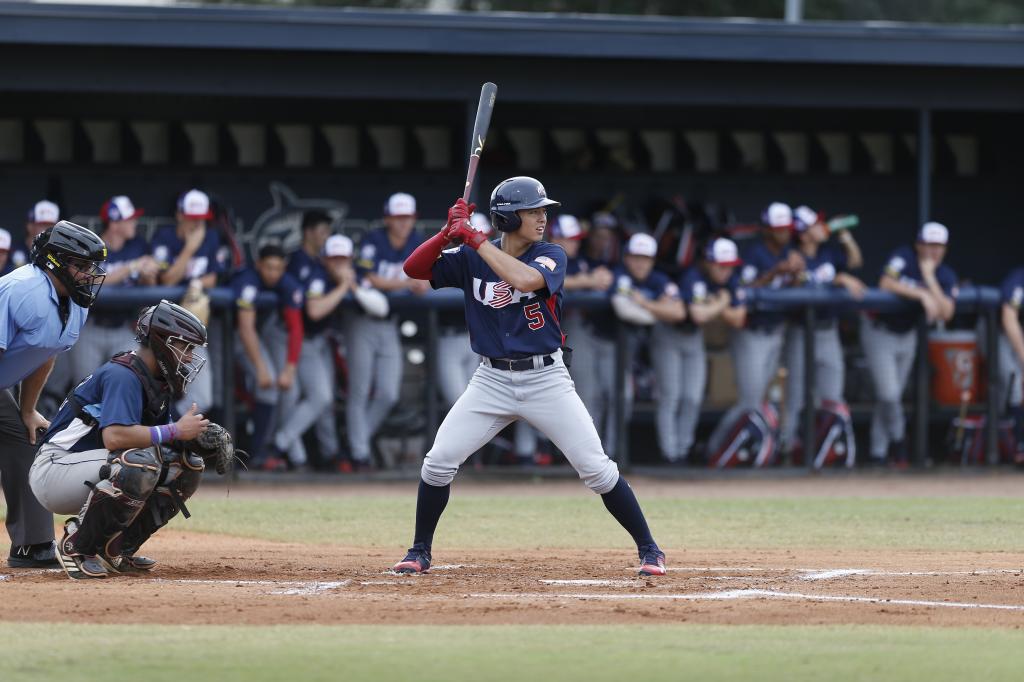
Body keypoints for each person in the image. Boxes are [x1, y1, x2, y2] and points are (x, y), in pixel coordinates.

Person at [395, 176, 666, 577]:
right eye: (532, 211)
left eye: (542, 210)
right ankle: (419, 550)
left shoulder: (550, 253)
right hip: (490, 380)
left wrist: (474, 240)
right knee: (438, 463)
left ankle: (650, 549)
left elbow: (524, 280)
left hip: (546, 379)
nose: (541, 218)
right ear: (507, 217)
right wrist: (444, 234)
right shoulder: (472, 257)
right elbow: (414, 269)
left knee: (596, 468)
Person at [29, 301, 213, 579]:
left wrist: (196, 439)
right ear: (162, 342)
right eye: (184, 347)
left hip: (87, 466)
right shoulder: (124, 374)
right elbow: (115, 437)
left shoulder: (155, 378)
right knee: (141, 463)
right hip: (55, 469)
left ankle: (114, 548)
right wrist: (176, 431)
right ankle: (76, 545)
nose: (189, 357)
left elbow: (163, 443)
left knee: (186, 465)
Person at [0, 221, 107, 568]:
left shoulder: (76, 302)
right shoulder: (19, 290)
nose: (90, 274)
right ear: (55, 261)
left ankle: (32, 545)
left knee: (24, 437)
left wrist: (27, 410)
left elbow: (46, 352)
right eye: (82, 265)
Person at [707, 202, 803, 453]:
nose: (784, 233)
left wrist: (795, 275)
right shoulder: (754, 253)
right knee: (750, 402)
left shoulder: (790, 252)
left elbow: (794, 289)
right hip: (751, 333)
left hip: (776, 332)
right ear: (767, 229)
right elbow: (745, 290)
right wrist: (774, 273)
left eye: (787, 228)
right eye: (778, 228)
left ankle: (748, 449)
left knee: (759, 401)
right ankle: (714, 448)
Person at [861, 222, 957, 466]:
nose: (934, 251)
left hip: (907, 335)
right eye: (929, 245)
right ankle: (899, 440)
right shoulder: (903, 257)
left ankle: (878, 453)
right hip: (879, 330)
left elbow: (946, 312)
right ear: (918, 245)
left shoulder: (944, 274)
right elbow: (885, 282)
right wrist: (921, 294)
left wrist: (928, 279)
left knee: (891, 397)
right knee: (889, 394)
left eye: (939, 246)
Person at [348, 192, 429, 469]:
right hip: (363, 321)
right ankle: (358, 452)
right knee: (359, 390)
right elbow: (369, 277)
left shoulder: (417, 241)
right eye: (398, 218)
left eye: (407, 217)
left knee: (388, 393)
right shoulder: (374, 240)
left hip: (391, 324)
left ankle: (356, 441)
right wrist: (407, 284)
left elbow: (428, 275)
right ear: (388, 218)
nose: (403, 223)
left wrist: (422, 283)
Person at [780, 206, 866, 452]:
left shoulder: (828, 253)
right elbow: (795, 284)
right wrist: (837, 279)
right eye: (815, 225)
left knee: (832, 395)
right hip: (800, 331)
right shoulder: (792, 256)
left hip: (828, 331)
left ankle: (829, 448)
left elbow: (856, 261)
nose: (822, 226)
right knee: (795, 397)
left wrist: (845, 235)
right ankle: (785, 449)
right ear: (804, 233)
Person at [654, 237, 743, 464]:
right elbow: (698, 314)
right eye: (721, 266)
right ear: (709, 262)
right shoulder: (693, 276)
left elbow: (739, 318)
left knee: (692, 397)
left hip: (693, 337)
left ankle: (682, 451)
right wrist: (722, 303)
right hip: (669, 334)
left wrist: (714, 305)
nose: (725, 272)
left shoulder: (729, 280)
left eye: (729, 266)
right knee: (671, 396)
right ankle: (669, 453)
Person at [281, 222, 356, 470]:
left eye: (343, 260)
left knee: (326, 401)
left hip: (322, 342)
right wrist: (345, 286)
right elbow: (314, 311)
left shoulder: (349, 275)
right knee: (319, 398)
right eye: (334, 259)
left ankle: (330, 453)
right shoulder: (317, 275)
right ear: (325, 259)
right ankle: (280, 444)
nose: (338, 264)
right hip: (301, 341)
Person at [605, 232, 686, 457]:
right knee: (619, 398)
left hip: (650, 344)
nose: (640, 263)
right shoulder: (621, 275)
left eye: (646, 258)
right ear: (627, 258)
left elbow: (679, 311)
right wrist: (658, 311)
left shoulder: (658, 279)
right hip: (616, 346)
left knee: (673, 394)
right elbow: (623, 309)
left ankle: (672, 456)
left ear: (652, 260)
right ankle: (611, 454)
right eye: (635, 257)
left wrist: (645, 303)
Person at [151, 189, 228, 414]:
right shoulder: (165, 237)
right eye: (192, 219)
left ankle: (169, 435)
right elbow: (166, 280)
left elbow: (213, 277)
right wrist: (190, 248)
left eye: (201, 220)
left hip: (192, 331)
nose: (196, 225)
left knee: (202, 399)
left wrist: (195, 282)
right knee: (151, 391)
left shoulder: (211, 237)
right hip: (161, 331)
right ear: (179, 215)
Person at [70, 196, 160, 384]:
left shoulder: (138, 246)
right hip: (90, 327)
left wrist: (148, 274)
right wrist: (132, 267)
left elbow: (149, 288)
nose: (134, 222)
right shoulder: (91, 247)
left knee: (129, 381)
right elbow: (91, 280)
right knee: (85, 387)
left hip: (123, 327)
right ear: (114, 224)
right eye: (129, 219)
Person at [231, 244, 305, 470]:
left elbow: (295, 327)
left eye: (278, 268)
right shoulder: (248, 279)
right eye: (269, 267)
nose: (273, 273)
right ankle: (249, 452)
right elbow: (245, 328)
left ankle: (259, 452)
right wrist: (261, 367)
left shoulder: (287, 283)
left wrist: (290, 367)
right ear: (259, 265)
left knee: (272, 388)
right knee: (215, 394)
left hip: (254, 335)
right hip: (222, 331)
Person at [992, 267, 1024, 464]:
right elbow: (1009, 318)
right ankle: (1020, 446)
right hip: (1000, 332)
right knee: (1014, 381)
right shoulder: (1019, 278)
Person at [9, 200, 60, 270]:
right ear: (29, 226)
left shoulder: (59, 254)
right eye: (42, 225)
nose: (47, 229)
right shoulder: (11, 251)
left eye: (51, 225)